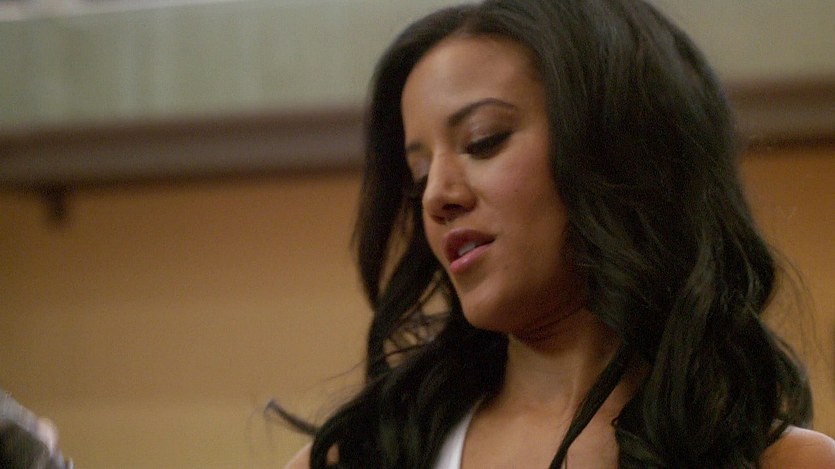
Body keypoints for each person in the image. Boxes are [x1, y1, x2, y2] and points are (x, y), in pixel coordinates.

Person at [282, 0, 835, 467]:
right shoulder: (359, 458)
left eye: (483, 141)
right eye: (419, 175)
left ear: (618, 149)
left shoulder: (784, 462)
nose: (437, 196)